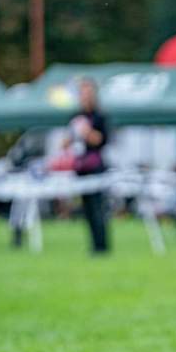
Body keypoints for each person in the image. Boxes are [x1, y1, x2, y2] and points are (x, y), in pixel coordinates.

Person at [68, 78, 109, 253]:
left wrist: (86, 131)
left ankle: (102, 246)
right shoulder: (76, 117)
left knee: (98, 207)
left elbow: (102, 140)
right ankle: (93, 245)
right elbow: (67, 142)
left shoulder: (100, 117)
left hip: (96, 167)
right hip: (80, 167)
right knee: (87, 210)